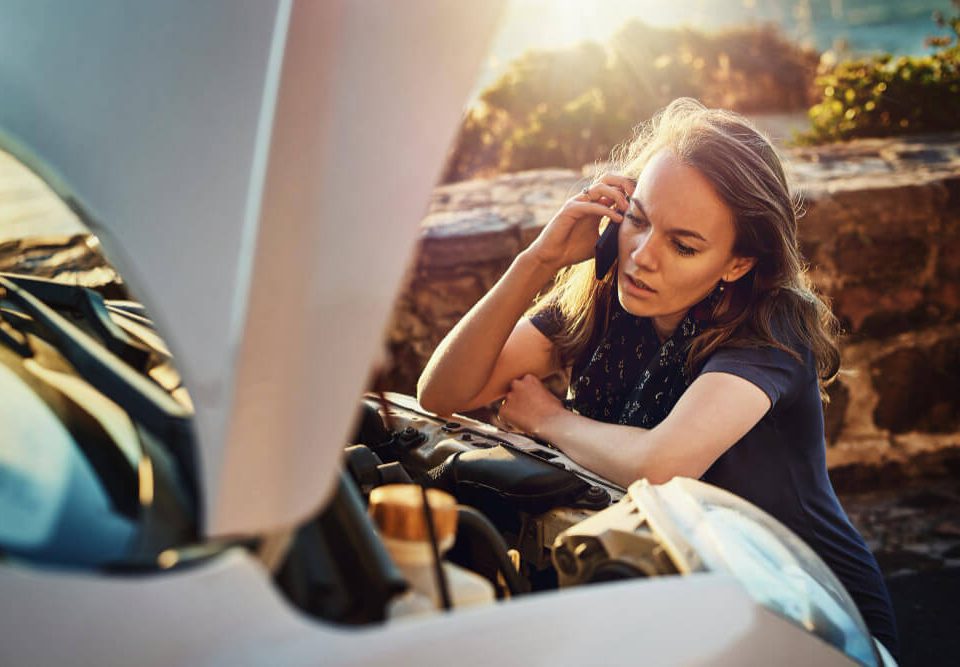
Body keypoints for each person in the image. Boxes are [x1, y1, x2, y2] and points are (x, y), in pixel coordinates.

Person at [416, 98, 898, 657]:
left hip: (810, 615)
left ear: (738, 263)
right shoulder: (603, 298)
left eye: (683, 245)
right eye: (639, 221)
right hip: (681, 597)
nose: (643, 258)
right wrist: (539, 259)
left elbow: (662, 466)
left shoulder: (770, 329)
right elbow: (444, 392)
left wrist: (549, 418)